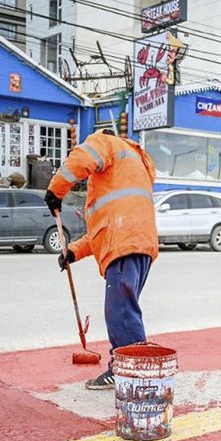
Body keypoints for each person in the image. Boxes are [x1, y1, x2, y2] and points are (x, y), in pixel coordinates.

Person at [45, 130, 159, 390]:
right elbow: (100, 233)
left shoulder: (105, 142)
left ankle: (130, 372)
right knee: (125, 308)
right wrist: (73, 252)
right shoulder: (129, 166)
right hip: (138, 243)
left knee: (120, 312)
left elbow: (82, 157)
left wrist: (56, 190)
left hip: (124, 243)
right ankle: (131, 368)